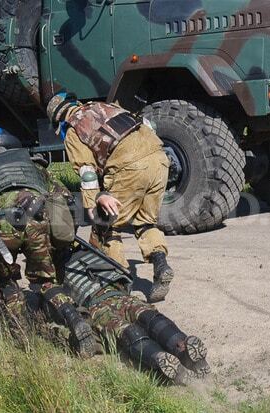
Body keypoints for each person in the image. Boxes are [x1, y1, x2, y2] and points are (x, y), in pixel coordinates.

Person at [0, 127, 97, 356]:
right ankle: (75, 321)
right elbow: (63, 197)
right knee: (46, 281)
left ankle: (24, 339)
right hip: (37, 217)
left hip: (1, 225)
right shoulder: (31, 162)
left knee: (7, 282)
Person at [46, 93, 174, 303]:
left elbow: (87, 171)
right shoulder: (106, 107)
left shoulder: (73, 129)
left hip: (129, 166)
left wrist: (93, 201)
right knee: (146, 222)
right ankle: (161, 265)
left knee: (106, 226)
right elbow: (148, 125)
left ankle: (121, 284)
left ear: (58, 120)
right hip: (159, 159)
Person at [58, 245, 211, 384]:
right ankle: (180, 351)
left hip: (103, 303)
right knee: (143, 320)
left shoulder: (67, 260)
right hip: (113, 299)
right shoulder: (88, 251)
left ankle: (164, 358)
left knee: (134, 326)